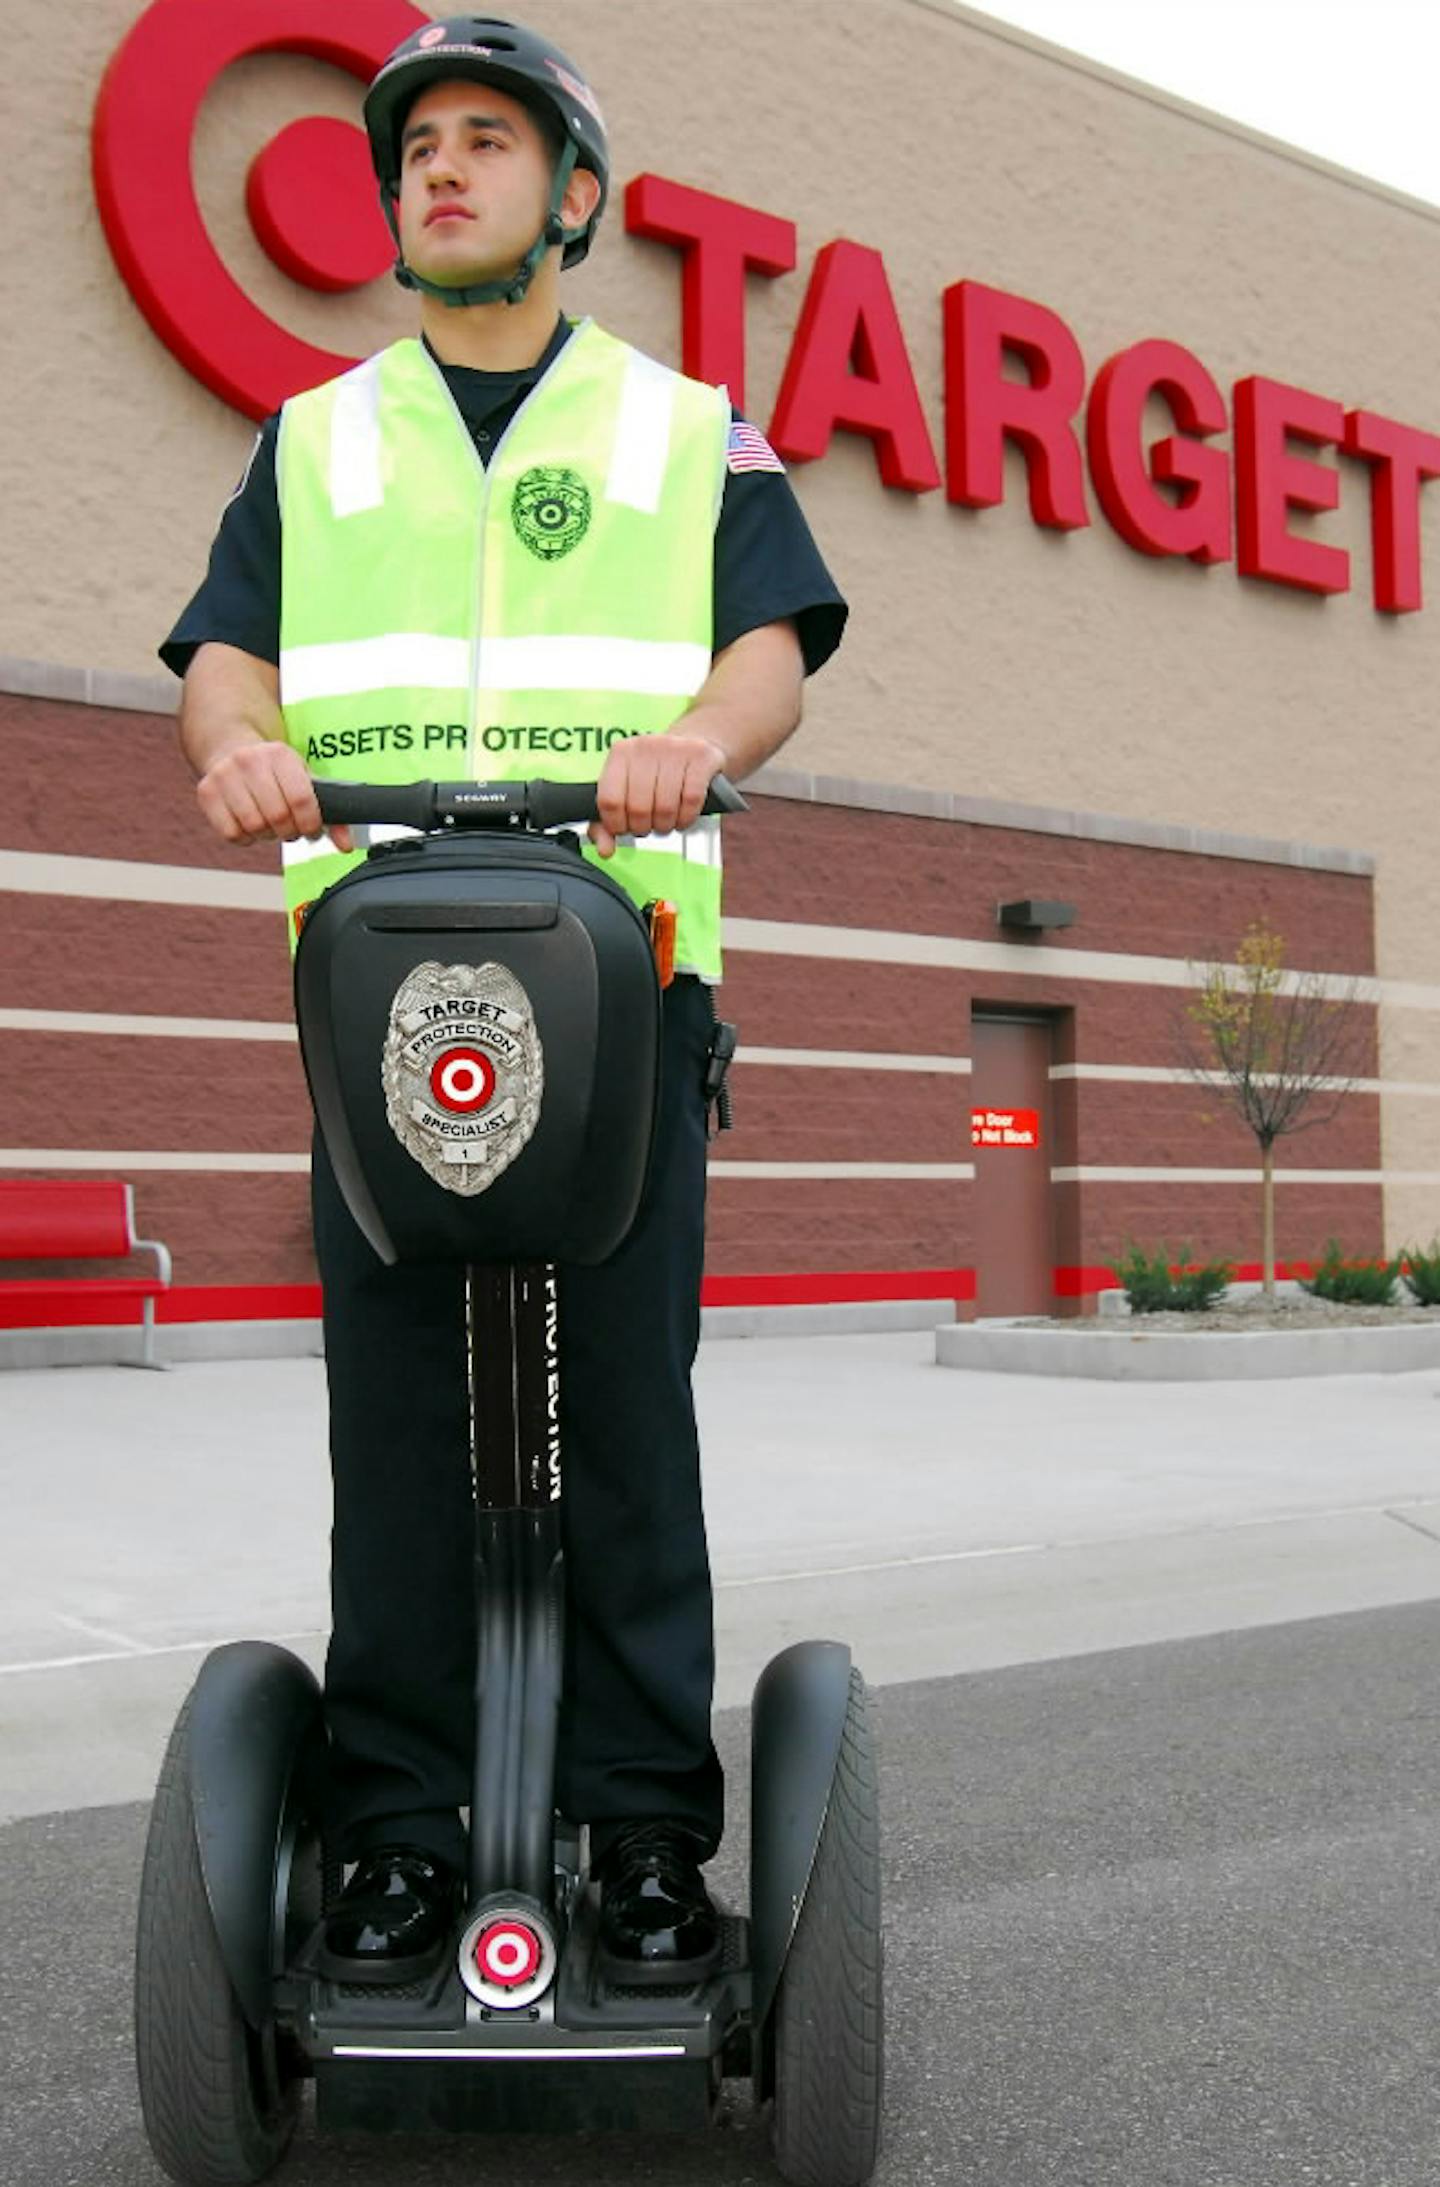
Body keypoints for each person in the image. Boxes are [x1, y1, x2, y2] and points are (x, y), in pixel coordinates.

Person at [162, 15, 846, 1986]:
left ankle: (640, 1828)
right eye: (416, 151)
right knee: (394, 1431)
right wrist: (237, 749)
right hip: (386, 995)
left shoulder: (682, 424)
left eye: (485, 140)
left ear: (574, 193)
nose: (438, 172)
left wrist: (696, 742)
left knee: (619, 1416)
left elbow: (773, 646)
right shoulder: (316, 437)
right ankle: (387, 1822)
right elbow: (225, 655)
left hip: (620, 981)